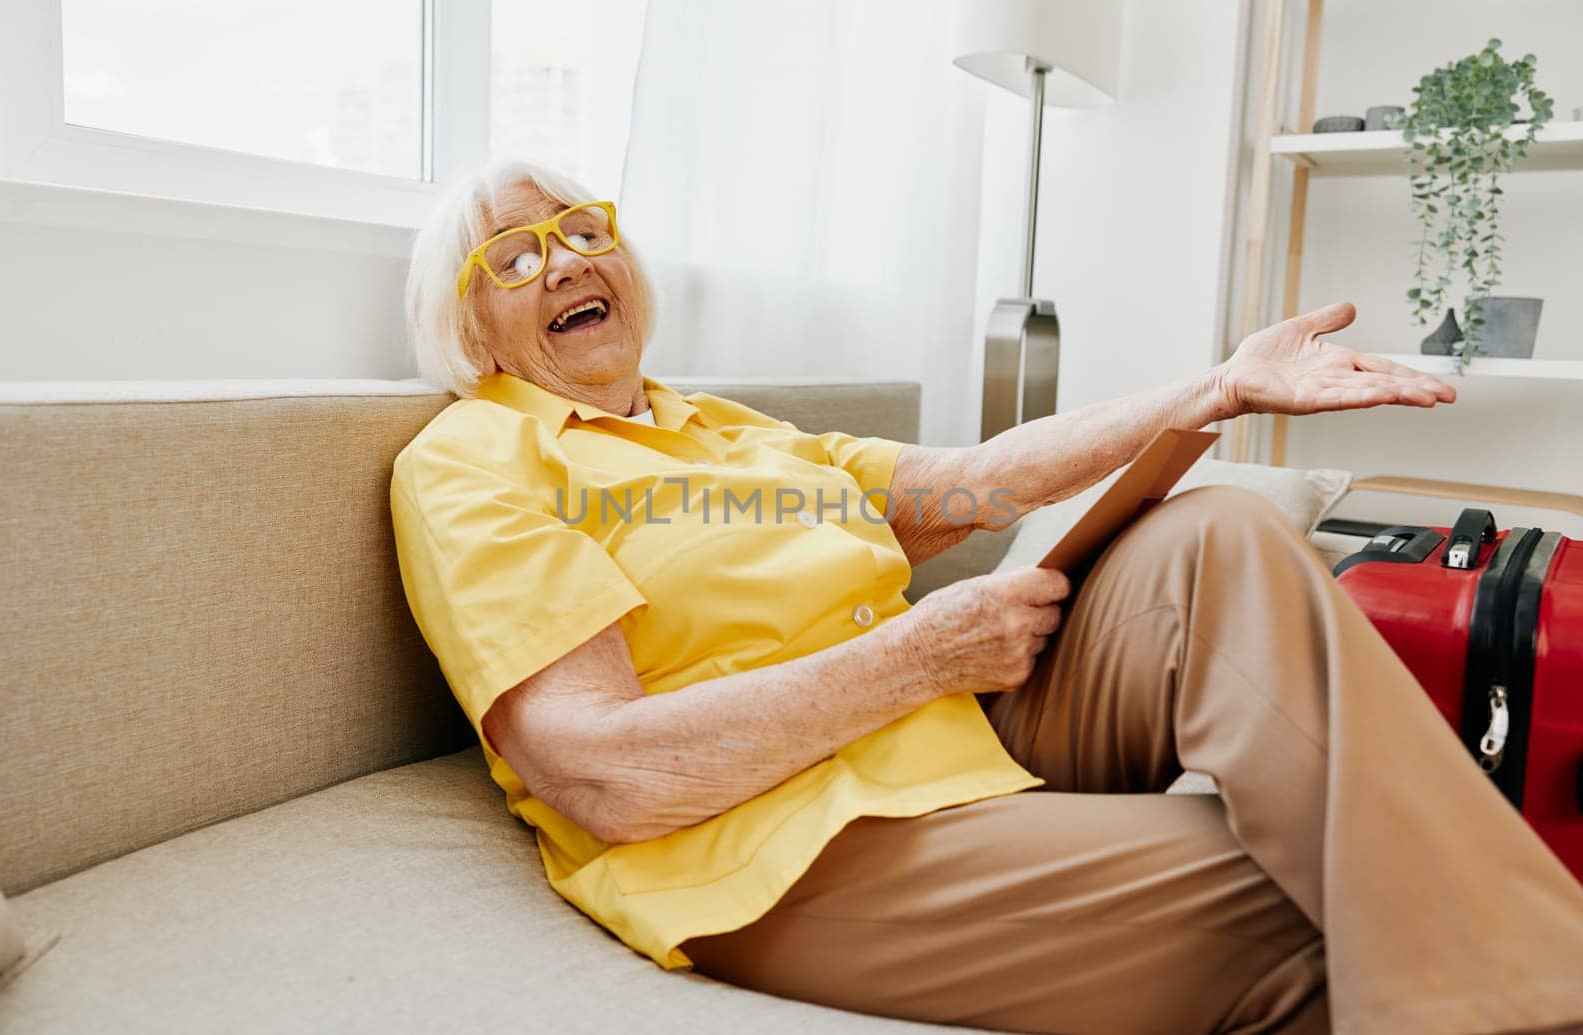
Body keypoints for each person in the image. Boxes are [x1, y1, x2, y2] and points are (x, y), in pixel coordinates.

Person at [389, 156, 1583, 1034]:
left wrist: (1212, 388)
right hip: (780, 847)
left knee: (1211, 533)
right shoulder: (473, 462)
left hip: (956, 737)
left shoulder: (717, 429)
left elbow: (974, 484)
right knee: (1345, 901)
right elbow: (608, 775)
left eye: (580, 228)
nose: (566, 260)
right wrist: (916, 657)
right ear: (468, 320)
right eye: (513, 255)